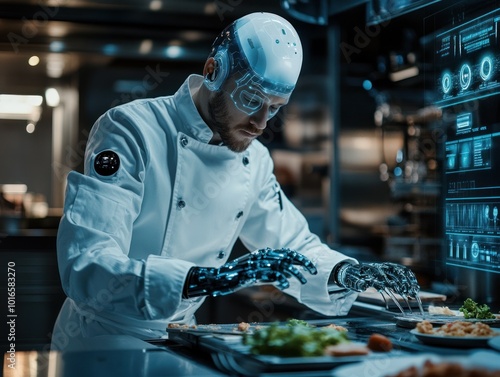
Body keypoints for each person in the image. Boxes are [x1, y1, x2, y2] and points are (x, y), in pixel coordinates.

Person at [51, 12, 420, 350]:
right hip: (104, 340)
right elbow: (88, 262)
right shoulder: (131, 129)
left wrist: (348, 272)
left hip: (182, 337)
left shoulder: (255, 159)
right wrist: (207, 279)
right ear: (214, 70)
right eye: (251, 99)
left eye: (275, 108)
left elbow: (292, 244)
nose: (262, 123)